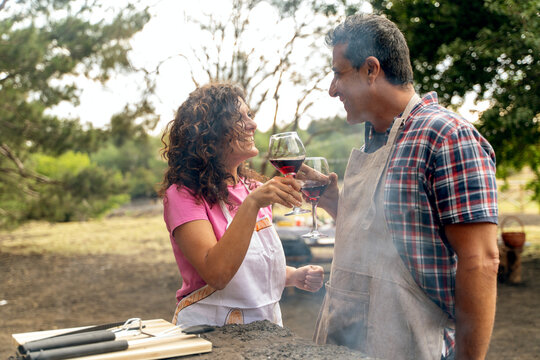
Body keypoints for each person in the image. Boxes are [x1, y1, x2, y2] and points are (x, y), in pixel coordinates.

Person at [307, 13, 499, 360]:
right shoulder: (374, 137)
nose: (332, 88)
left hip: (411, 345)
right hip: (344, 343)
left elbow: (480, 261)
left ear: (371, 70)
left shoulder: (447, 136)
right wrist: (336, 203)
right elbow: (386, 237)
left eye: (338, 73)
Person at [159, 82, 324, 328]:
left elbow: (250, 266)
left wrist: (294, 276)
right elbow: (217, 274)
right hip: (208, 334)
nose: (253, 124)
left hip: (265, 332)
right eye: (239, 118)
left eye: (250, 115)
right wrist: (252, 204)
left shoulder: (253, 189)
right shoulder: (183, 195)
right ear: (211, 134)